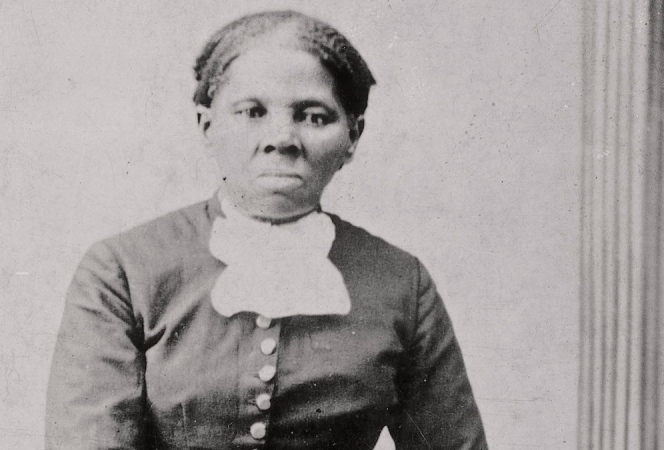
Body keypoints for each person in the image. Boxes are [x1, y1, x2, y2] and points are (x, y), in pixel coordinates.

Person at [45, 10, 487, 450]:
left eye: (314, 116)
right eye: (252, 112)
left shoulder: (401, 283)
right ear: (207, 125)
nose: (282, 139)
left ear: (353, 136)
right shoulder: (124, 271)